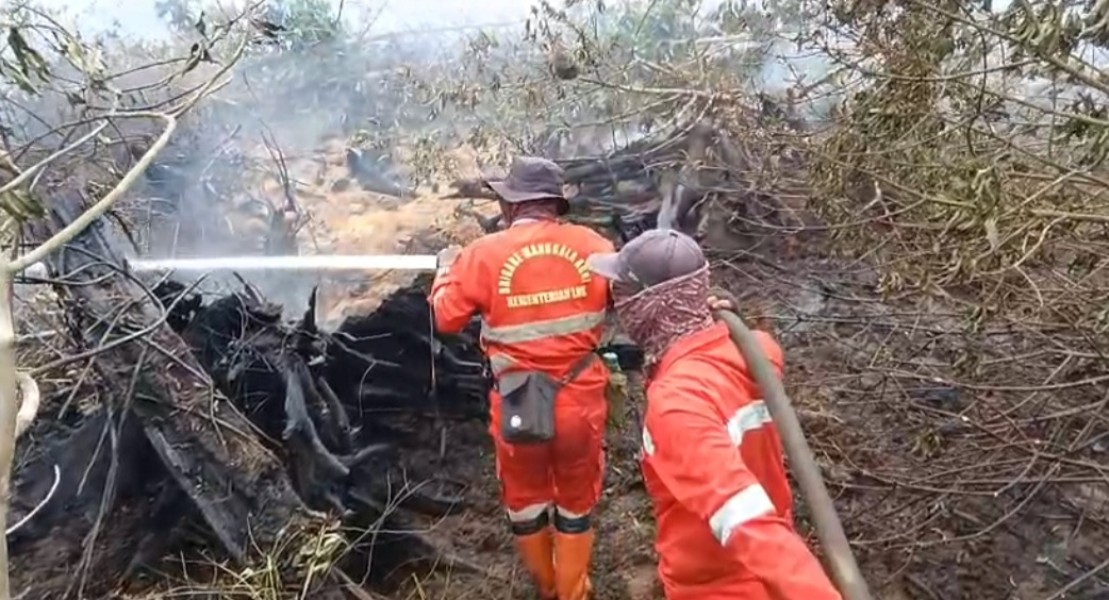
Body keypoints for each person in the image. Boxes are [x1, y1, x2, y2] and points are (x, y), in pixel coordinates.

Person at [587, 228, 843, 600]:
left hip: (719, 587)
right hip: (762, 575)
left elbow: (747, 521)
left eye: (622, 292)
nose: (616, 302)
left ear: (649, 304)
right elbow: (757, 344)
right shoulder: (755, 350)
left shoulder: (678, 401)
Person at [429, 156, 614, 599]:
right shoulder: (596, 246)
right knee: (575, 499)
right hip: (580, 400)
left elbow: (446, 319)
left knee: (526, 498)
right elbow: (628, 301)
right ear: (555, 203)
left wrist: (444, 272)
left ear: (510, 205)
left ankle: (548, 586)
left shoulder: (482, 254)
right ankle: (573, 590)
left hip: (517, 402)